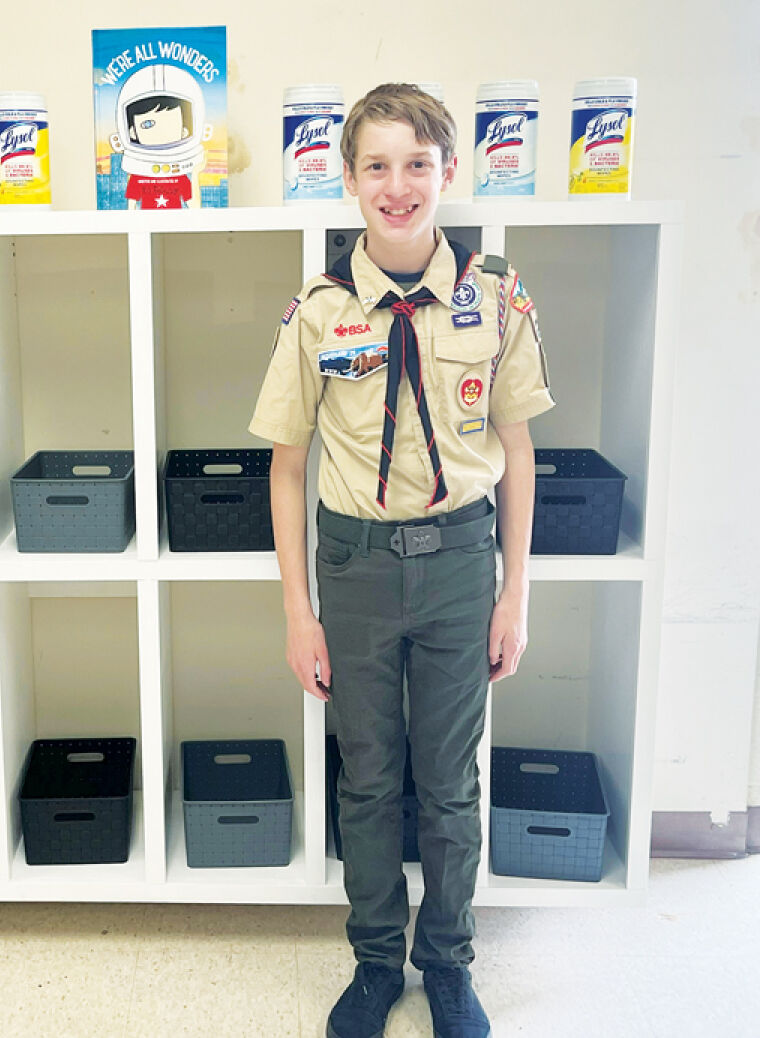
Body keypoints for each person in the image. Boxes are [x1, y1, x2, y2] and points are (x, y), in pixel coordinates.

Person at [248, 83, 554, 1038]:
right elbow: (287, 467)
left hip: (461, 564)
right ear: (348, 179)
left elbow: (517, 452)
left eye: (417, 164)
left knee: (451, 782)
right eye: (376, 166)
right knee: (370, 778)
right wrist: (298, 612)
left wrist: (516, 593)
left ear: (448, 172)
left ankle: (449, 964)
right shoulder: (320, 311)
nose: (398, 185)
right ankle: (377, 961)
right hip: (357, 567)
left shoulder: (494, 298)